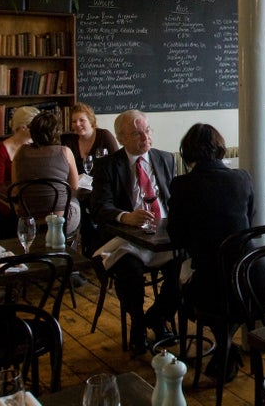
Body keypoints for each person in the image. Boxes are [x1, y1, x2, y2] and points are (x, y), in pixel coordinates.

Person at [168, 123, 254, 383]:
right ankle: (226, 346)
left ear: (187, 152)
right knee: (222, 288)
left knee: (190, 282)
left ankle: (225, 345)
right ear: (220, 148)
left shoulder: (182, 185)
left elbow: (177, 237)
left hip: (214, 285)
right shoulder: (242, 178)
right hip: (255, 278)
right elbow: (249, 221)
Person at [90, 109, 180, 354]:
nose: (145, 137)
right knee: (129, 270)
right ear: (121, 138)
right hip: (126, 236)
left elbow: (174, 199)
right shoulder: (108, 166)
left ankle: (158, 316)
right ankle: (138, 322)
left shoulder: (165, 159)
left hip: (163, 234)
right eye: (137, 133)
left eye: (147, 131)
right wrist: (125, 216)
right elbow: (99, 206)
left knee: (184, 264)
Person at [11, 110, 83, 236]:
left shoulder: (20, 152)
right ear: (57, 132)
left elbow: (15, 189)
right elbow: (74, 186)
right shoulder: (65, 152)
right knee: (77, 204)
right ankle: (74, 246)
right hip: (60, 222)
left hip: (28, 221)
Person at [0, 106, 39, 217]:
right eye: (36, 127)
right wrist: (15, 208)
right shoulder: (2, 150)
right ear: (23, 128)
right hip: (8, 202)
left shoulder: (38, 145)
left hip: (33, 200)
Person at [61, 102, 119, 171]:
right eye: (74, 121)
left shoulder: (104, 136)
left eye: (82, 120)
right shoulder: (68, 140)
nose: (77, 124)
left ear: (91, 121)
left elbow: (118, 163)